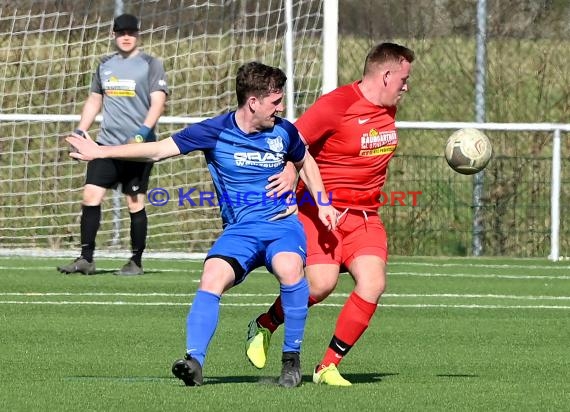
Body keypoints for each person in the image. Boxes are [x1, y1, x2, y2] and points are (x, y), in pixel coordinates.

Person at [66, 61, 337, 388]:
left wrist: (322, 203)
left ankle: (291, 360)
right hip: (240, 232)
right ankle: (194, 361)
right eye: (275, 102)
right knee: (212, 276)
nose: (280, 109)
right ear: (253, 102)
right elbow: (157, 150)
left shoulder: (284, 131)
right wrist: (100, 152)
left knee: (289, 269)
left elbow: (304, 158)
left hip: (282, 225)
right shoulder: (215, 130)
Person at [245, 42, 415, 386]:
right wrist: (292, 174)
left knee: (373, 283)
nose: (407, 86)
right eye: (403, 78)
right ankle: (265, 324)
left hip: (365, 216)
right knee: (321, 285)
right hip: (319, 211)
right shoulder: (337, 105)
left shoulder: (388, 109)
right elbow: (294, 142)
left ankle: (327, 366)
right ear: (385, 75)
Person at [57, 13, 169, 276]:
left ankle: (136, 262)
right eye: (121, 33)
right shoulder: (105, 64)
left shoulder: (151, 64)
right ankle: (86, 258)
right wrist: (81, 130)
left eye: (131, 32)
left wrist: (143, 132)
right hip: (104, 146)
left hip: (137, 149)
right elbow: (94, 100)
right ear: (114, 35)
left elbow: (158, 102)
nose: (126, 37)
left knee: (134, 202)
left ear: (137, 34)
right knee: (90, 196)